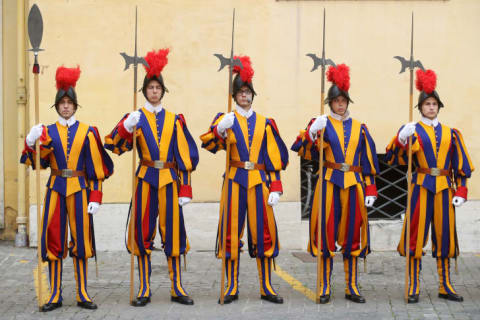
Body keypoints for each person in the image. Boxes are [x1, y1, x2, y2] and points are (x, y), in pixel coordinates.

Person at [104, 49, 199, 306]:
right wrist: (126, 127)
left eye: (158, 87)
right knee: (142, 231)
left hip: (169, 180)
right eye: (150, 87)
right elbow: (114, 145)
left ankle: (177, 287)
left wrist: (186, 189)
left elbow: (185, 155)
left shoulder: (174, 119)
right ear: (145, 91)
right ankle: (144, 288)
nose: (154, 91)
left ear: (163, 91)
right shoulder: (135, 117)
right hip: (145, 178)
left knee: (174, 233)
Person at [21, 66, 114, 311]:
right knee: (54, 240)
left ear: (75, 105)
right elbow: (38, 164)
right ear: (56, 106)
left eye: (69, 102)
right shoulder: (47, 131)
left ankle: (83, 292)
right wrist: (32, 143)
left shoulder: (87, 132)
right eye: (61, 102)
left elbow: (96, 168)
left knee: (81, 241)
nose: (65, 106)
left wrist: (96, 196)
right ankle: (54, 294)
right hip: (55, 189)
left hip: (81, 189)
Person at [200, 55, 289, 304]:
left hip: (260, 182)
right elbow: (209, 143)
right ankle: (232, 286)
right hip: (234, 179)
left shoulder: (265, 123)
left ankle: (266, 286)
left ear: (253, 95)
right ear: (234, 95)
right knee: (230, 234)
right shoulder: (225, 119)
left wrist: (276, 188)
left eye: (248, 91)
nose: (245, 95)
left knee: (264, 234)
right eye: (240, 92)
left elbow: (274, 158)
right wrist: (219, 129)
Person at [291, 64, 380, 304]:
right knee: (325, 233)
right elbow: (304, 151)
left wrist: (370, 188)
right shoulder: (320, 123)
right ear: (330, 103)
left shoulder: (360, 127)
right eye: (336, 101)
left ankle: (352, 285)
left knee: (352, 234)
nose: (340, 104)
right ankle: (324, 285)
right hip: (328, 182)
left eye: (343, 100)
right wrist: (311, 132)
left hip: (353, 183)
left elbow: (368, 159)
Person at [385, 69, 474, 303]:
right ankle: (413, 285)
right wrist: (402, 139)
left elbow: (461, 164)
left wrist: (462, 190)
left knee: (445, 236)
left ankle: (445, 284)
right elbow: (395, 159)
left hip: (445, 188)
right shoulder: (412, 130)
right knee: (416, 234)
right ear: (421, 107)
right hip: (421, 187)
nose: (431, 107)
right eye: (427, 104)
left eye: (434, 103)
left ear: (438, 106)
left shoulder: (451, 133)